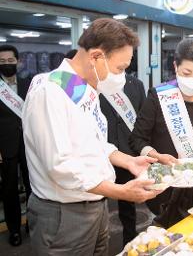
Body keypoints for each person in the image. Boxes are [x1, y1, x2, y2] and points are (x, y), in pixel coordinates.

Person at [22, 18, 162, 256]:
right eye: (120, 68)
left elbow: (95, 143)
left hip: (95, 205)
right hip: (64, 214)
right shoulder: (50, 91)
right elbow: (60, 166)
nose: (122, 76)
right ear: (96, 56)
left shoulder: (83, 88)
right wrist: (121, 192)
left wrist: (128, 161)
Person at [129, 38, 193, 228]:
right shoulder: (159, 96)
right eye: (186, 73)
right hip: (165, 186)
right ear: (175, 66)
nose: (192, 79)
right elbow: (136, 139)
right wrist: (155, 155)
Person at [99, 55, 146, 245]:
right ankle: (101, 235)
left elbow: (142, 118)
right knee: (99, 198)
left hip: (128, 152)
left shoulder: (136, 84)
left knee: (128, 201)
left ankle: (129, 236)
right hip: (102, 151)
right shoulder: (97, 82)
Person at [0, 44, 31, 246]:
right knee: (9, 191)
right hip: (5, 148)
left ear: (18, 61)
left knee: (33, 187)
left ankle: (32, 223)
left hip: (29, 146)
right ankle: (14, 230)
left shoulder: (28, 83)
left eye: (10, 61)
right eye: (2, 62)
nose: (7, 64)